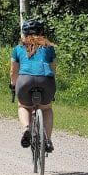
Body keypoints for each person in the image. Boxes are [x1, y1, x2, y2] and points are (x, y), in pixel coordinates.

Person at [9, 17, 57, 152]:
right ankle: (47, 140)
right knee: (46, 109)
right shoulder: (49, 47)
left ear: (24, 33)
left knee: (23, 106)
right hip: (46, 80)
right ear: (41, 32)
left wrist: (13, 84)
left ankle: (26, 129)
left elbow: (14, 71)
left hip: (25, 81)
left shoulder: (18, 48)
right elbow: (53, 69)